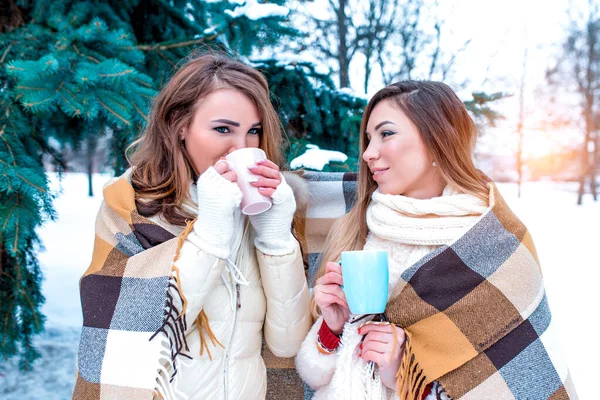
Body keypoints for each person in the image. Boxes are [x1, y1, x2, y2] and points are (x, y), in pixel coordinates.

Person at [295, 81, 575, 400]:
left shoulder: (493, 246)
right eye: (369, 138)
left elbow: (506, 385)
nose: (369, 153)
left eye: (386, 134)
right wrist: (332, 330)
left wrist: (402, 372)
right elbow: (314, 374)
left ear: (436, 138)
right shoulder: (357, 223)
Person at [72, 53, 312, 400]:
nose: (240, 147)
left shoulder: (262, 214)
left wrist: (276, 238)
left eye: (253, 131)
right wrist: (211, 232)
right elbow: (134, 333)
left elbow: (287, 344)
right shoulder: (132, 207)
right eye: (223, 129)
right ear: (179, 125)